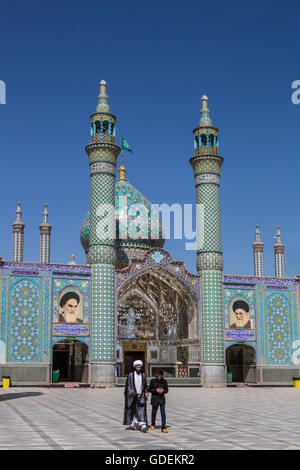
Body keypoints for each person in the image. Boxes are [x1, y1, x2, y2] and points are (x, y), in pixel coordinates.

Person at [123, 360, 149, 432]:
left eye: (140, 367)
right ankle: (134, 424)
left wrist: (146, 392)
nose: (139, 368)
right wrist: (131, 392)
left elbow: (145, 385)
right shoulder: (131, 375)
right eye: (137, 367)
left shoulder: (143, 375)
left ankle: (143, 425)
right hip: (133, 396)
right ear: (135, 367)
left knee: (142, 410)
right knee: (134, 410)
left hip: (141, 395)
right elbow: (128, 386)